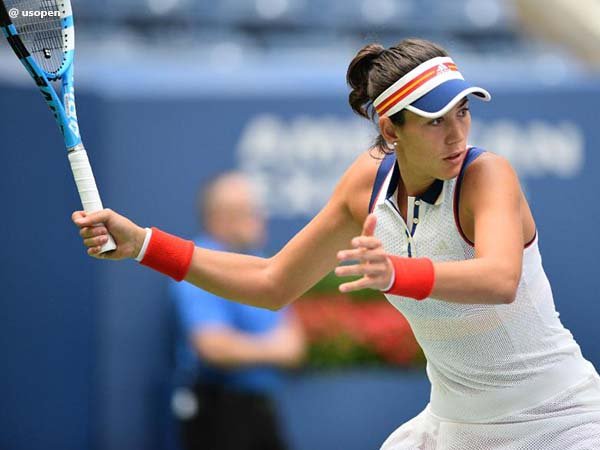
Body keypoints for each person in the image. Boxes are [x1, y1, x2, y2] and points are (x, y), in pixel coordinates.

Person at [72, 38, 600, 449]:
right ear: (391, 130)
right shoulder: (364, 185)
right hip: (457, 427)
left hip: (560, 417)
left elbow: (500, 278)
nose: (457, 134)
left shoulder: (488, 175)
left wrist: (396, 274)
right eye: (435, 121)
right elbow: (271, 282)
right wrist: (144, 244)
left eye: (463, 111)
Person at [170, 172, 305, 450]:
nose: (261, 217)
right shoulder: (197, 265)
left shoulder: (261, 263)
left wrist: (250, 348)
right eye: (250, 212)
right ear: (219, 217)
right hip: (218, 412)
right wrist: (273, 349)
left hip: (263, 411)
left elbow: (294, 347)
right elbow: (214, 347)